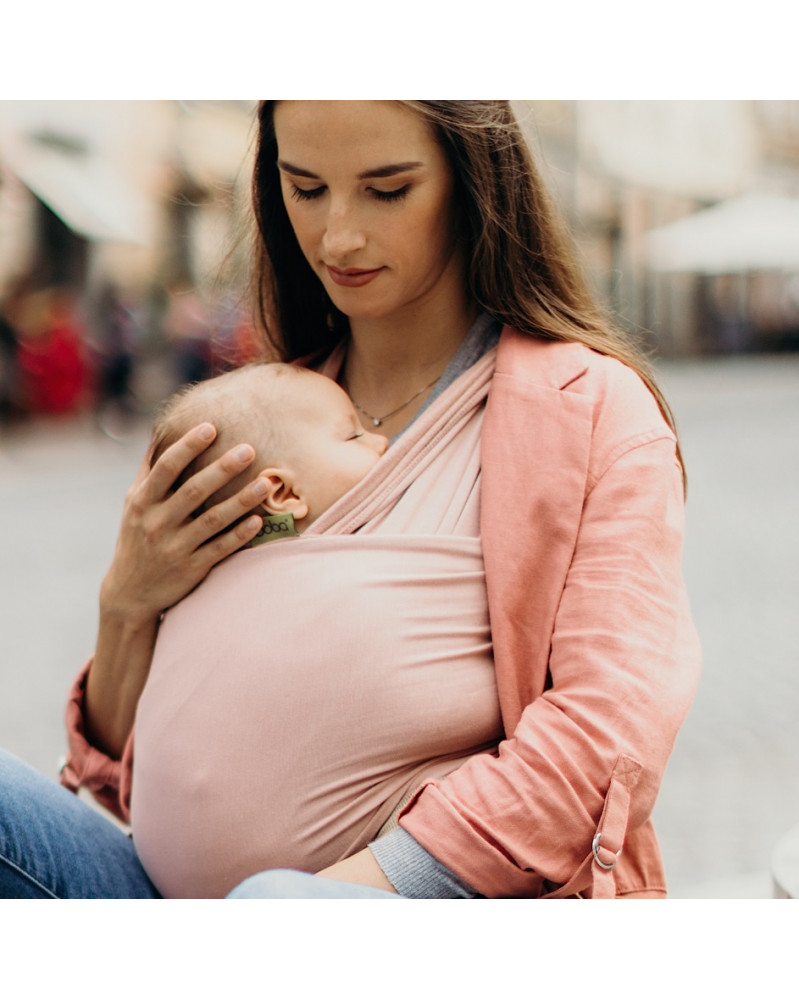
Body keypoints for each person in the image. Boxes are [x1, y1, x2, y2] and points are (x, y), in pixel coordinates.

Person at [0, 101, 700, 899]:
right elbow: (129, 770)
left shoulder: (590, 410)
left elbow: (605, 736)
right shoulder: (257, 415)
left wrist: (330, 900)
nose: (337, 237)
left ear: (473, 185)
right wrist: (126, 603)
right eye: (305, 188)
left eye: (387, 190)